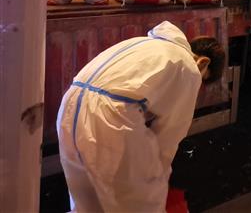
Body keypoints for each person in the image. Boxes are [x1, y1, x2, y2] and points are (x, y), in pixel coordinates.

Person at [56, 21, 225, 212]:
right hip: (111, 115)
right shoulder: (189, 67)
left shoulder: (145, 43)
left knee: (86, 204)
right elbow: (168, 137)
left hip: (70, 107)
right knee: (141, 202)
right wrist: (156, 178)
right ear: (203, 63)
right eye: (203, 79)